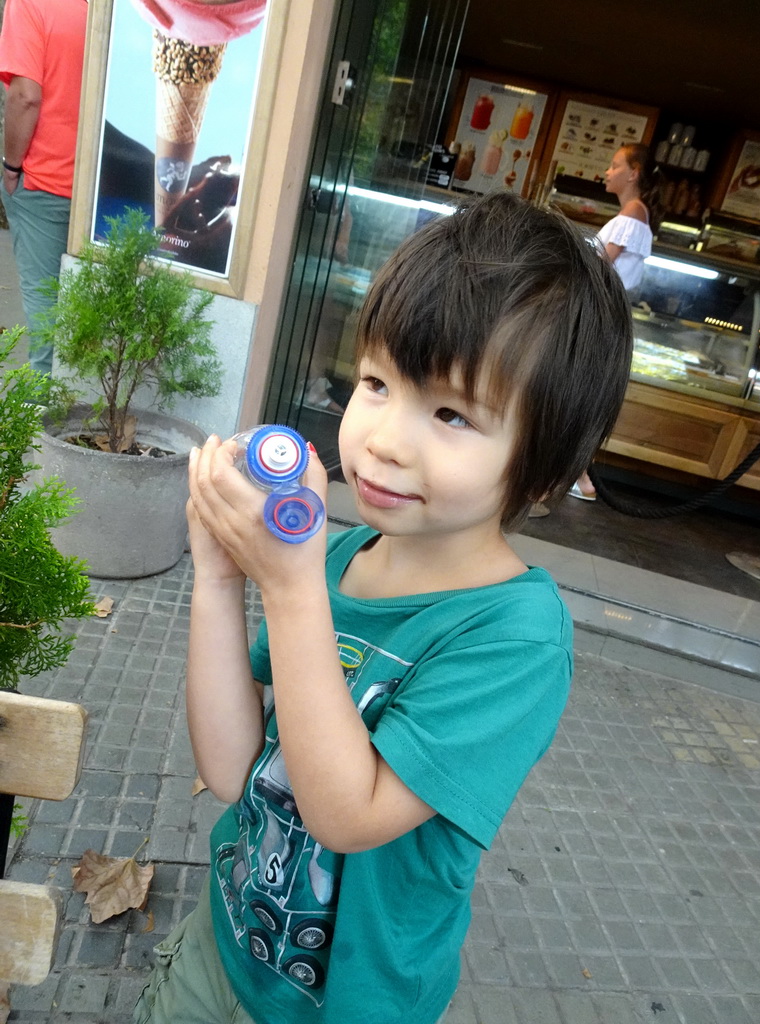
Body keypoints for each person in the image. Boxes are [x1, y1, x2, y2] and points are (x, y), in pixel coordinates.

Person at [133, 192, 633, 1024]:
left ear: (542, 475)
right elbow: (231, 769)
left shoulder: (514, 638)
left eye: (450, 413)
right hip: (226, 944)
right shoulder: (333, 559)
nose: (384, 438)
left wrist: (288, 592)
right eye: (375, 382)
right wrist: (222, 576)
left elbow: (345, 814)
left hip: (354, 1006)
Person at [0, 0, 88, 376]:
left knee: (46, 319)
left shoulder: (30, 3)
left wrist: (10, 165)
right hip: (98, 189)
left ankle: (38, 429)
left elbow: (25, 96)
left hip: (44, 180)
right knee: (86, 320)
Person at [569, 142, 658, 501]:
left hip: (602, 316)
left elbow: (600, 266)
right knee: (580, 392)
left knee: (578, 393)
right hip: (606, 315)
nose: (607, 171)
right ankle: (577, 474)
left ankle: (581, 476)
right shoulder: (633, 214)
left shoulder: (633, 213)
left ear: (634, 173)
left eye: (615, 164)